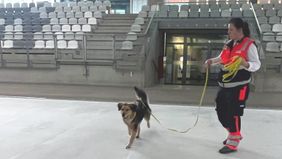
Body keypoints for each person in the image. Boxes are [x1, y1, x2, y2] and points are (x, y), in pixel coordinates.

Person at [204, 18, 261, 154]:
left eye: (231, 30)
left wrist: (245, 64)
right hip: (224, 85)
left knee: (233, 112)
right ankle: (233, 133)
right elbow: (222, 57)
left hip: (238, 87)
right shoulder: (229, 43)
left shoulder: (249, 45)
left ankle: (233, 141)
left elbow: (256, 64)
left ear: (240, 30)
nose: (228, 32)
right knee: (220, 110)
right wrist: (211, 61)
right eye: (228, 29)